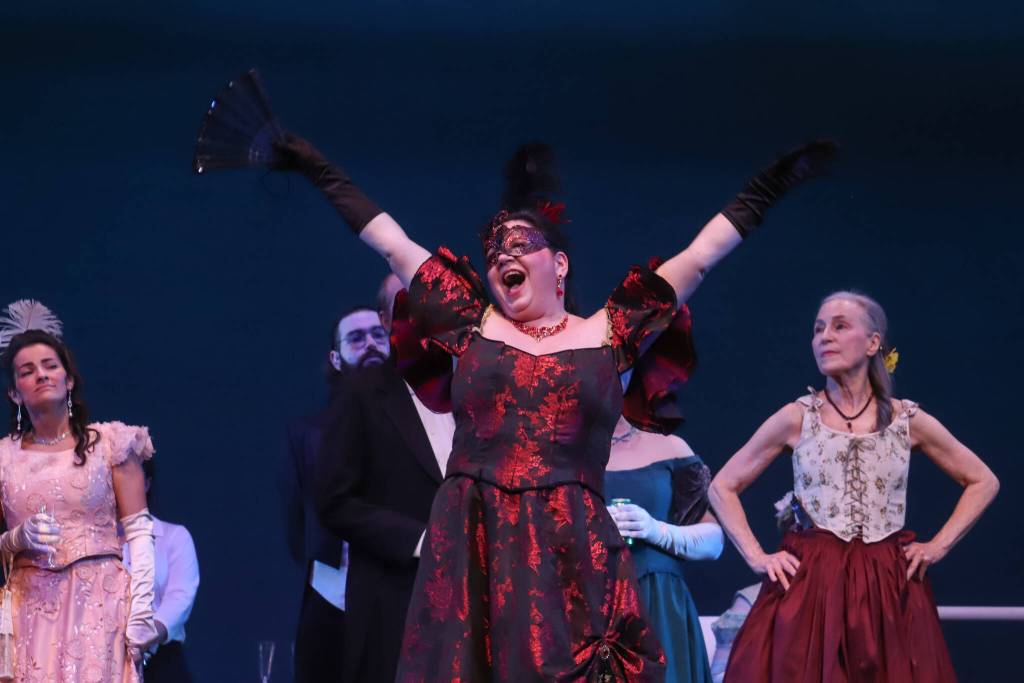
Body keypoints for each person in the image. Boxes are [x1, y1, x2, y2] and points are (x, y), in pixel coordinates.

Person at [270, 132, 835, 681]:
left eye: (520, 245)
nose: (502, 256)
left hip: (573, 543)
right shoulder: (472, 324)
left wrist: (767, 186)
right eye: (494, 252)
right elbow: (391, 242)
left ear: (558, 265)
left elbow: (702, 257)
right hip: (476, 536)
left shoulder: (606, 334)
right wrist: (319, 169)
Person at [709, 291, 1000, 682]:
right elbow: (723, 486)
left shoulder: (905, 419)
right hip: (813, 583)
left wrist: (937, 546)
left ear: (873, 343)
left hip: (886, 583)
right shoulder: (798, 417)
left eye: (840, 326)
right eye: (818, 329)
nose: (824, 336)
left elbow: (983, 480)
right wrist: (758, 556)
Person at [0, 300, 159, 682]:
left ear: (68, 379)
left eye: (50, 366)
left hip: (99, 604)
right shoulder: (4, 456)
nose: (41, 375)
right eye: (27, 371)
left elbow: (138, 532)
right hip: (30, 607)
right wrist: (14, 538)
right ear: (14, 394)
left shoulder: (111, 444)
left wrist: (140, 611)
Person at [314, 275, 455, 683]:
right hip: (396, 606)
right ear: (386, 318)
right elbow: (333, 500)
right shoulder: (363, 392)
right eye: (407, 306)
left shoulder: (475, 387)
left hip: (477, 607)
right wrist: (419, 540)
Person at [281, 301, 392, 682]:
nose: (371, 345)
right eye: (357, 338)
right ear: (337, 357)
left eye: (379, 335)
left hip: (398, 596)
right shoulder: (307, 435)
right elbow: (297, 523)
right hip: (332, 594)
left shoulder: (418, 425)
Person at [606, 414, 724, 683]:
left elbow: (714, 542)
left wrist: (655, 530)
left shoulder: (670, 448)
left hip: (659, 603)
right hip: (592, 602)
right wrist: (587, 525)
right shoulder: (559, 455)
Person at [122, 459, 200, 682]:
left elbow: (180, 597)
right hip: (107, 660)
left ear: (146, 483)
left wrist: (147, 634)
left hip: (160, 662)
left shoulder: (174, 537)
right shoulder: (99, 541)